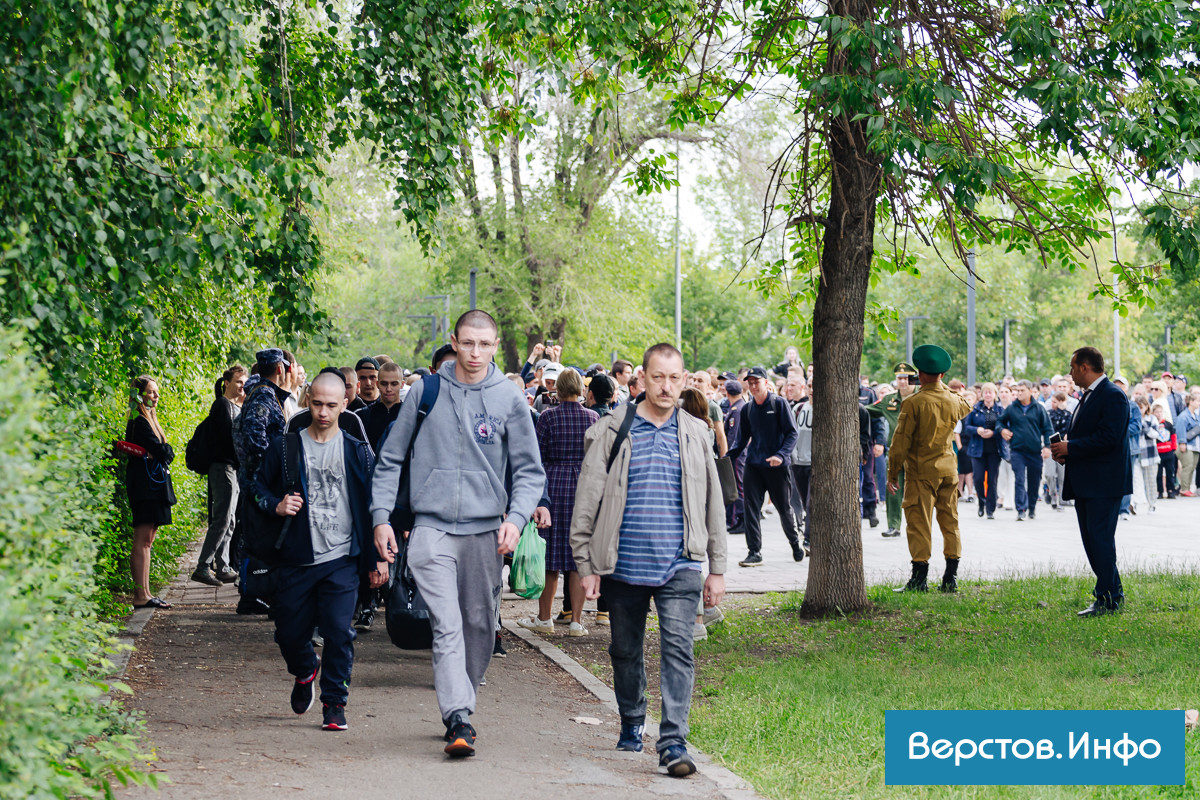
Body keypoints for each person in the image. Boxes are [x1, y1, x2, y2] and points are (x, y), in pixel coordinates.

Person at [371, 310, 544, 758]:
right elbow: (390, 460)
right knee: (447, 625)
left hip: (486, 531)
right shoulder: (425, 393)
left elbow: (529, 471)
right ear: (454, 341)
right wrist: (381, 517)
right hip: (430, 529)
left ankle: (462, 701)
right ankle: (458, 716)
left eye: (485, 345)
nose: (476, 353)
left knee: (479, 625)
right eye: (468, 343)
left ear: (494, 344)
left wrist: (517, 517)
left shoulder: (510, 397)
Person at [570, 343, 727, 777]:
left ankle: (673, 741)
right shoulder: (613, 429)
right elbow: (588, 499)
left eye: (675, 378)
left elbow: (714, 502)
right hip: (623, 565)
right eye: (658, 377)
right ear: (641, 378)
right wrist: (587, 566)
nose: (666, 386)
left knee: (679, 649)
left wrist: (717, 567)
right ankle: (632, 720)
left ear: (684, 380)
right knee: (625, 650)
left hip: (681, 564)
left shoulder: (696, 431)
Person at [249, 372, 388, 731]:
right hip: (296, 557)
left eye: (331, 405)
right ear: (307, 399)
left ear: (345, 404)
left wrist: (376, 561)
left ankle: (334, 703)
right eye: (316, 403)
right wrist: (276, 504)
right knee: (290, 634)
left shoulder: (357, 453)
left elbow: (374, 509)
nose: (323, 412)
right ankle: (305, 668)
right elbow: (255, 488)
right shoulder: (285, 446)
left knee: (339, 632)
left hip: (341, 560)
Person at [1049, 347, 1132, 617]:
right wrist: (1065, 451)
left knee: (1100, 540)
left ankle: (1108, 599)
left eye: (1072, 367)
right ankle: (1111, 594)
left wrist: (1071, 447)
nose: (1070, 374)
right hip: (1087, 481)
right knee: (1092, 540)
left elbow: (1109, 437)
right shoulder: (1089, 396)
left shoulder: (1113, 396)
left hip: (1104, 483)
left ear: (1085, 367)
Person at [518, 368, 598, 636]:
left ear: (558, 389)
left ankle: (544, 619)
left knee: (549, 557)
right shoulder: (593, 417)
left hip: (552, 485)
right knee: (577, 559)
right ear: (580, 389)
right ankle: (576, 621)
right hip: (582, 488)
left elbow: (537, 456)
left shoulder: (548, 417)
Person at [887, 345, 971, 593]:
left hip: (921, 473)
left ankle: (919, 579)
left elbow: (900, 442)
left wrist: (892, 472)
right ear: (942, 375)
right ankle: (950, 578)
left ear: (919, 375)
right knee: (950, 523)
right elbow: (966, 404)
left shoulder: (914, 402)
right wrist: (940, 385)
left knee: (919, 524)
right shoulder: (954, 400)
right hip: (948, 471)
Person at [233, 348, 296, 616]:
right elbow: (254, 435)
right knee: (259, 540)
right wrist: (271, 467)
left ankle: (261, 594)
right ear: (280, 369)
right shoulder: (263, 395)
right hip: (259, 483)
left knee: (264, 540)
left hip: (260, 481)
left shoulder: (265, 394)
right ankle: (253, 595)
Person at [726, 366, 803, 566]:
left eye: (756, 382)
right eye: (749, 383)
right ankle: (754, 552)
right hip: (754, 465)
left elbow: (792, 433)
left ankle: (795, 544)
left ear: (766, 383)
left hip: (777, 467)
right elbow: (741, 440)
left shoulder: (779, 403)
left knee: (784, 509)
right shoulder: (748, 409)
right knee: (750, 507)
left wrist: (781, 455)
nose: (752, 386)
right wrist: (726, 458)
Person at [124, 375, 178, 609]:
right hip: (145, 486)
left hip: (153, 485)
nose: (156, 396)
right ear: (139, 395)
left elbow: (165, 452)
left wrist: (161, 450)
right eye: (151, 392)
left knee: (149, 539)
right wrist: (161, 450)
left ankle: (145, 593)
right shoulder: (139, 422)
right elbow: (163, 450)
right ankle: (140, 596)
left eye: (157, 392)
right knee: (142, 539)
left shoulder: (150, 421)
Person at [193, 365, 246, 586]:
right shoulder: (221, 405)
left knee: (231, 518)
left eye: (244, 383)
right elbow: (228, 439)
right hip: (222, 467)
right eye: (239, 382)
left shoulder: (234, 407)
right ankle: (203, 566)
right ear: (227, 383)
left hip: (232, 468)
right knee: (222, 517)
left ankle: (223, 565)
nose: (242, 386)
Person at [867, 362, 917, 538]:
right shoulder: (890, 400)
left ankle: (917, 525)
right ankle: (893, 525)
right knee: (893, 488)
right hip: (896, 453)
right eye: (900, 378)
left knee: (917, 491)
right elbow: (868, 411)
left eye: (906, 378)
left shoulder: (923, 397)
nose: (903, 382)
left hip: (917, 454)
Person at [999, 379, 1054, 521]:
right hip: (1017, 450)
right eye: (1017, 390)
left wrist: (1048, 447)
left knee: (1034, 480)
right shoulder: (1012, 408)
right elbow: (1000, 421)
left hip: (1035, 451)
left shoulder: (1039, 408)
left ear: (1030, 391)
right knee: (1019, 479)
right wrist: (1002, 430)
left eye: (1022, 390)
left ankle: (1032, 507)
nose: (1019, 393)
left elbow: (1048, 429)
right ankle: (1021, 509)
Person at [963, 383, 1002, 520]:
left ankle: (990, 509)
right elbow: (967, 427)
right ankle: (981, 502)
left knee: (992, 480)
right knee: (978, 479)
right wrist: (977, 430)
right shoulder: (975, 409)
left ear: (995, 394)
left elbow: (1004, 427)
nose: (987, 395)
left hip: (994, 450)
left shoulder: (1000, 410)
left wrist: (994, 432)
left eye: (990, 392)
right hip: (977, 449)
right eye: (985, 392)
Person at [356, 361, 404, 452]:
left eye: (394, 384)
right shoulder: (361, 416)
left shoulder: (412, 416)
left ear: (401, 385)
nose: (388, 389)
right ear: (377, 384)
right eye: (384, 384)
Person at [723, 380, 748, 534]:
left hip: (738, 454)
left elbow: (735, 435)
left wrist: (730, 453)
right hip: (737, 453)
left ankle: (742, 519)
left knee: (738, 487)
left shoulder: (738, 409)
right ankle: (738, 518)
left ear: (727, 393)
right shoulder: (737, 407)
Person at [1044, 392, 1073, 509]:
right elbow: (1048, 428)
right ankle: (1052, 494)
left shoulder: (1068, 415)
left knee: (1062, 476)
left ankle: (1061, 500)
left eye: (1055, 402)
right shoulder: (1049, 414)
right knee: (1049, 474)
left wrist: (1062, 410)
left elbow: (1068, 428)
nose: (1052, 404)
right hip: (1051, 446)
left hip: (1063, 447)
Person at [1175, 393, 1200, 496]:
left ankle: (1188, 487)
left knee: (1192, 466)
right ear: (1191, 401)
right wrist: (1182, 443)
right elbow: (1180, 429)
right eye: (1197, 401)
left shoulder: (1196, 415)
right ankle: (1184, 489)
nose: (1199, 403)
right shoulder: (1183, 416)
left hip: (1195, 445)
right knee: (1187, 466)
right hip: (1187, 444)